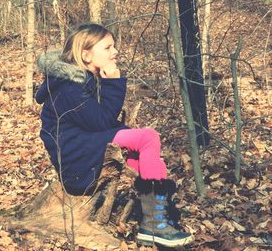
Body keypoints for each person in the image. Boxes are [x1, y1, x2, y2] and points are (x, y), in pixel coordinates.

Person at [35, 23, 194, 247]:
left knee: (141, 144)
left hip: (83, 143)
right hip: (74, 158)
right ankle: (154, 225)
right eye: (108, 48)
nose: (115, 52)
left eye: (114, 46)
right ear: (86, 54)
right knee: (147, 137)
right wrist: (113, 83)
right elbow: (101, 121)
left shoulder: (82, 79)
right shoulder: (69, 88)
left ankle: (158, 216)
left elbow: (99, 122)